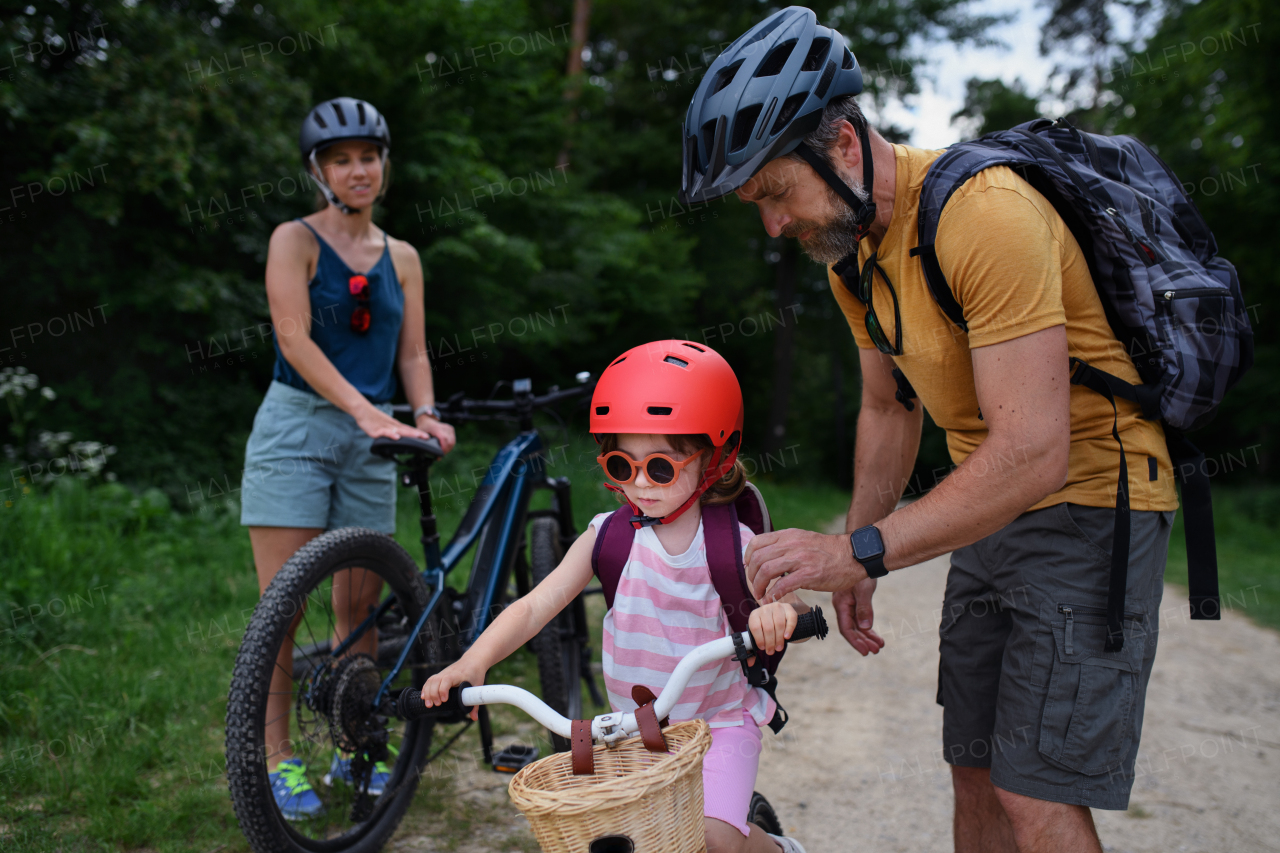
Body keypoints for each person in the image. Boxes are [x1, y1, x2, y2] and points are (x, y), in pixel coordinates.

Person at [680, 8, 1177, 853]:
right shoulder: (854, 254)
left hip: (1093, 502)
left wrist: (862, 551)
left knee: (1034, 786)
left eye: (774, 193)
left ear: (841, 143)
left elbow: (1033, 449)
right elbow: (890, 406)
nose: (771, 224)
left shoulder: (983, 213)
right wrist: (857, 547)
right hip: (993, 505)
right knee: (976, 764)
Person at [421, 341, 810, 853]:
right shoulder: (608, 535)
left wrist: (779, 613)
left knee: (713, 841)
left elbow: (795, 605)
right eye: (623, 466)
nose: (641, 485)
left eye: (662, 468)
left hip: (719, 725)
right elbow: (535, 606)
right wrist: (473, 663)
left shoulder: (732, 543)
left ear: (715, 457)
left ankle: (781, 849)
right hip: (634, 733)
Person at [239, 96, 457, 819]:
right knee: (285, 605)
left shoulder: (403, 257)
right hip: (297, 429)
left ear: (383, 164)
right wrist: (366, 409)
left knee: (359, 606)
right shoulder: (292, 239)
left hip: (376, 438)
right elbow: (293, 338)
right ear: (319, 171)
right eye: (341, 159)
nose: (357, 169)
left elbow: (413, 351)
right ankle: (277, 758)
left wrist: (421, 411)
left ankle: (350, 738)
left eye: (368, 156)